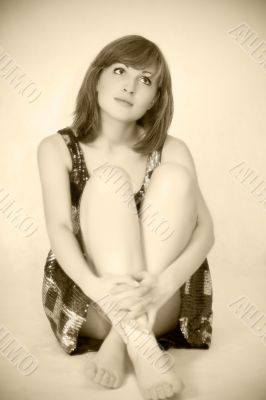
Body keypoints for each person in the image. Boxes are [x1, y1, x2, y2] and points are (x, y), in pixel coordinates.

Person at [37, 34, 214, 400]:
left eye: (145, 80)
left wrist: (162, 286)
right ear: (97, 78)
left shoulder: (172, 148)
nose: (130, 86)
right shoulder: (57, 148)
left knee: (176, 178)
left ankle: (126, 339)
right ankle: (138, 341)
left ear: (155, 99)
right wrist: (96, 286)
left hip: (160, 300)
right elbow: (58, 229)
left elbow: (206, 231)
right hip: (91, 301)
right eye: (120, 70)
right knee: (108, 182)